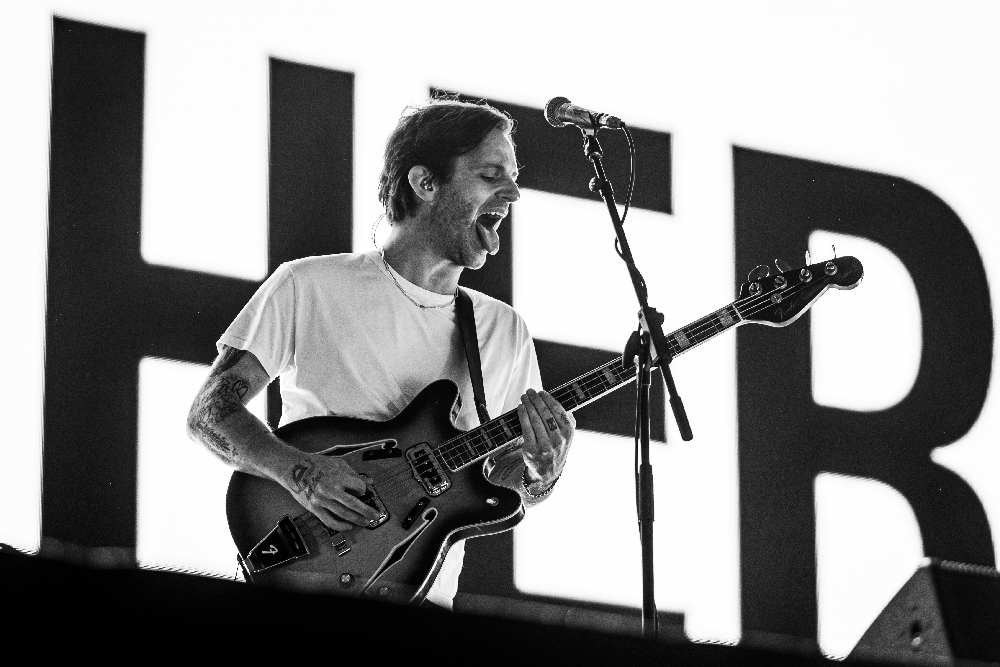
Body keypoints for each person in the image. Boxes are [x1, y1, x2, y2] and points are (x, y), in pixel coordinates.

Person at [186, 98, 575, 609]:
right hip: (311, 575)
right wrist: (299, 474)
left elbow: (496, 480)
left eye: (513, 176)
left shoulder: (503, 330)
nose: (514, 191)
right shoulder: (311, 284)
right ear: (424, 182)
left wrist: (539, 471)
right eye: (490, 174)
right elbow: (210, 413)